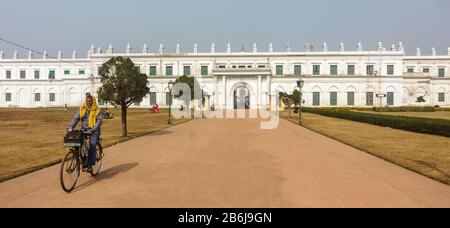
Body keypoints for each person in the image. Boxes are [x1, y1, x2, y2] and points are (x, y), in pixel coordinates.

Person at [67, 95, 103, 173]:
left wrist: (93, 129)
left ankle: (89, 165)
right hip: (84, 130)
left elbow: (99, 122)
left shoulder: (97, 110)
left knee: (92, 145)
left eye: (90, 101)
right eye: (87, 101)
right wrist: (70, 127)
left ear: (93, 101)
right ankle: (81, 158)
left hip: (94, 131)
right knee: (78, 143)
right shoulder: (82, 109)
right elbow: (76, 118)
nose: (88, 102)